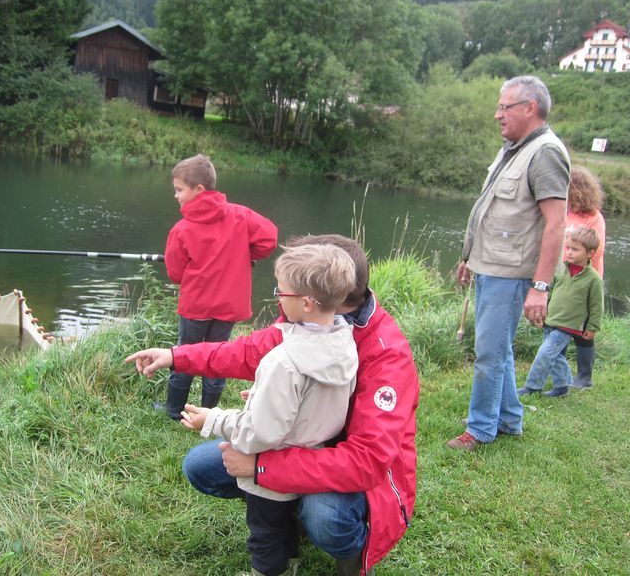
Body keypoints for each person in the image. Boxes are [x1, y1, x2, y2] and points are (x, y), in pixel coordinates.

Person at [127, 234, 420, 576]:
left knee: (324, 514)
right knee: (202, 465)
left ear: (314, 298)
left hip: (358, 473)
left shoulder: (387, 356)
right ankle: (289, 520)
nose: (278, 298)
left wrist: (260, 467)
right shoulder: (315, 320)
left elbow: (365, 462)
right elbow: (246, 352)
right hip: (303, 442)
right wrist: (176, 356)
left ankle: (351, 560)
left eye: (283, 291)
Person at [180, 243, 359, 576]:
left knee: (265, 534)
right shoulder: (345, 341)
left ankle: (270, 570)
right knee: (282, 525)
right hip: (310, 455)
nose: (277, 299)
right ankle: (290, 560)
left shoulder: (283, 361)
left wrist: (213, 419)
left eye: (281, 292)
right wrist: (268, 395)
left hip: (272, 466)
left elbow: (259, 434)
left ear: (306, 303)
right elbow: (317, 399)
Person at [450, 75, 570, 452]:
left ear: (530, 108)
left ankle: (481, 429)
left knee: (488, 353)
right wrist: (470, 258)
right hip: (491, 267)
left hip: (512, 275)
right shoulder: (515, 149)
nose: (497, 114)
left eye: (504, 107)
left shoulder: (545, 152)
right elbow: (493, 210)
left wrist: (540, 287)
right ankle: (509, 419)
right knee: (498, 348)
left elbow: (556, 224)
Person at [161, 154, 277, 420]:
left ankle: (174, 411)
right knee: (219, 356)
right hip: (229, 306)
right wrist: (247, 254)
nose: (176, 196)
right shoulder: (241, 215)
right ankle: (209, 413)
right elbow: (269, 239)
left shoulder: (182, 229)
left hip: (196, 307)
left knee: (185, 353)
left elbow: (175, 273)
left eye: (179, 189)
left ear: (198, 189)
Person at [517, 226, 604, 398]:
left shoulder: (594, 279)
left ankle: (533, 387)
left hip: (568, 325)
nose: (569, 252)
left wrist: (593, 327)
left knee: (545, 353)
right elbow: (550, 294)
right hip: (551, 320)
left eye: (575, 249)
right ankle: (563, 386)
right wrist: (543, 312)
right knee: (555, 356)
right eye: (568, 248)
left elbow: (596, 306)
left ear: (590, 253)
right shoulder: (560, 270)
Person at [565, 166, 606, 389]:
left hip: (586, 280)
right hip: (564, 277)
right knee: (559, 322)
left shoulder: (594, 217)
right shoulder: (563, 212)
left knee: (583, 329)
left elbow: (596, 249)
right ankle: (559, 370)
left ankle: (584, 376)